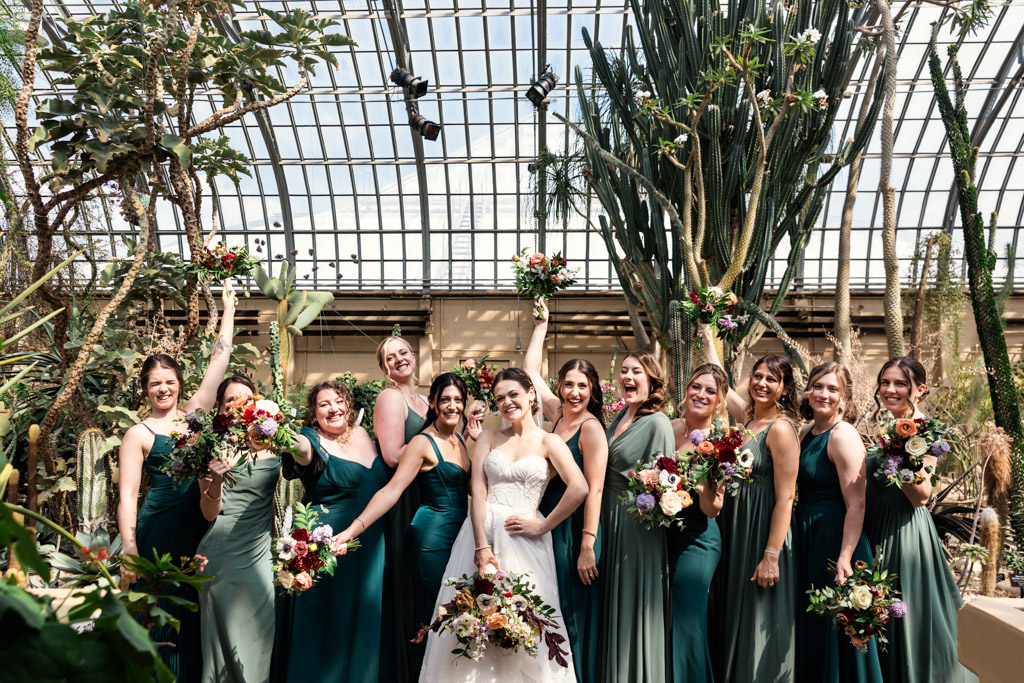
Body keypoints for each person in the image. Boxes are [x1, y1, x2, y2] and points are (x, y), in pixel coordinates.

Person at [418, 368, 588, 683]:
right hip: (480, 534)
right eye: (500, 398)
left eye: (513, 394)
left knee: (525, 624)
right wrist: (481, 548)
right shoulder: (489, 437)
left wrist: (542, 526)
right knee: (473, 620)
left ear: (531, 394)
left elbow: (579, 487)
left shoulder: (550, 442)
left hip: (525, 539)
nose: (507, 402)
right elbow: (478, 490)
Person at [117, 283, 237, 682]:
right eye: (155, 383)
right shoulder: (139, 434)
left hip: (197, 532)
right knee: (161, 625)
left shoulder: (192, 418)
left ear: (180, 383)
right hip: (159, 534)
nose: (163, 388)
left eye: (169, 381)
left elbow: (218, 363)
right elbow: (127, 498)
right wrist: (130, 547)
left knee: (190, 624)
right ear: (146, 389)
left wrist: (229, 311)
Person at [332, 372, 472, 676]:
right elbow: (391, 491)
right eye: (445, 399)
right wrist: (352, 530)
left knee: (460, 615)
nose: (452, 405)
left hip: (459, 539)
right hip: (430, 542)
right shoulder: (422, 443)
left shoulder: (459, 439)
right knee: (438, 617)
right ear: (432, 402)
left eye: (458, 400)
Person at [864, 357, 976, 683]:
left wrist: (900, 450)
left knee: (904, 618)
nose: (890, 389)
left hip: (903, 534)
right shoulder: (890, 423)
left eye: (900, 383)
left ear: (920, 389)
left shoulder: (926, 431)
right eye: (885, 382)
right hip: (876, 528)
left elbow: (921, 496)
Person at [273, 381, 389, 683]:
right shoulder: (311, 439)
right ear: (314, 414)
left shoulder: (363, 433)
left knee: (361, 621)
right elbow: (300, 449)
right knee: (324, 625)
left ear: (348, 404)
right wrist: (277, 429)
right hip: (327, 547)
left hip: (370, 546)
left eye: (339, 401)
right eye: (324, 404)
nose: (333, 409)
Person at [702, 330, 800, 682]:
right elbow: (720, 379)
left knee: (758, 615)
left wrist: (771, 554)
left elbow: (786, 496)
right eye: (757, 376)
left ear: (784, 389)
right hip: (734, 528)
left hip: (761, 532)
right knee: (732, 610)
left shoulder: (781, 430)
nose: (761, 383)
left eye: (771, 379)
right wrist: (707, 331)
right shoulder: (746, 422)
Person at [524, 299, 607, 683]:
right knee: (551, 605)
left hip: (575, 530)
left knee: (573, 611)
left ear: (593, 391)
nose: (574, 392)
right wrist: (541, 326)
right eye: (569, 384)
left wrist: (587, 543)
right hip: (551, 524)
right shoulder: (558, 415)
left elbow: (594, 489)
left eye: (582, 386)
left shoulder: (590, 428)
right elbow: (529, 373)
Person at [795, 363, 883, 683]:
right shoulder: (805, 432)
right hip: (809, 539)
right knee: (817, 629)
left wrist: (845, 557)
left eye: (833, 389)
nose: (824, 394)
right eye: (818, 386)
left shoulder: (843, 434)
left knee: (842, 633)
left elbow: (857, 503)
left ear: (844, 398)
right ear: (808, 390)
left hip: (836, 542)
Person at [195, 375, 281, 683]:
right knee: (222, 653)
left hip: (259, 556)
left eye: (245, 397)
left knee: (258, 648)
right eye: (230, 400)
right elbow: (208, 513)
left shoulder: (275, 442)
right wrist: (216, 481)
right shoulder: (210, 448)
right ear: (220, 409)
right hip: (220, 556)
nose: (237, 403)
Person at [597, 350, 675, 682]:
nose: (628, 377)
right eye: (624, 371)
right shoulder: (618, 418)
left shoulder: (656, 423)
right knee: (614, 602)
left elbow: (665, 481)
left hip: (637, 526)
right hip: (609, 520)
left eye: (637, 372)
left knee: (633, 604)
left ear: (652, 380)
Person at [669, 363, 727, 683]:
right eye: (696, 387)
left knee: (688, 623)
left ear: (718, 402)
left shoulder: (716, 443)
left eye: (710, 391)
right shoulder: (666, 427)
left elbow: (713, 509)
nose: (701, 395)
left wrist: (705, 486)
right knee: (664, 620)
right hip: (661, 536)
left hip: (697, 541)